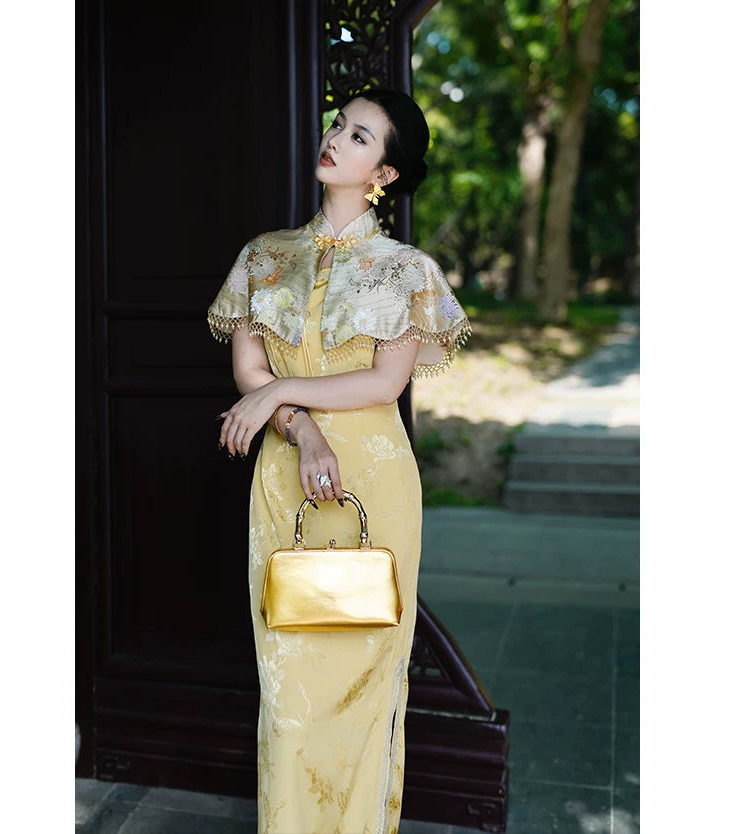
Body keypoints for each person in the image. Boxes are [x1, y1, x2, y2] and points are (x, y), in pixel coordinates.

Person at [208, 87, 470, 834]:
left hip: (374, 484)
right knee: (287, 695)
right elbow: (249, 376)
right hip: (285, 479)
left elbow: (385, 383)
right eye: (338, 124)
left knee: (364, 693)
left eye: (360, 136)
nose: (336, 138)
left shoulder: (408, 271)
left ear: (384, 173)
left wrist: (284, 390)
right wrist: (300, 428)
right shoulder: (263, 257)